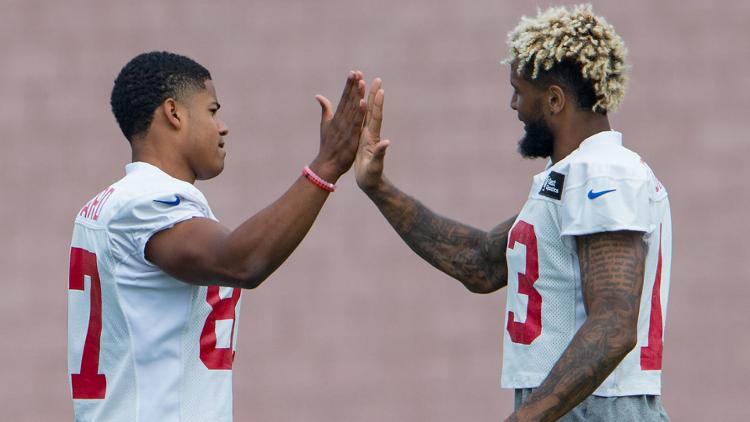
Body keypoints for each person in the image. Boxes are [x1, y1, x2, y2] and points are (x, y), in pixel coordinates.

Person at [355, 5, 671, 421]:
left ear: (555, 100)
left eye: (520, 92)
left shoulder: (603, 171)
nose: (512, 105)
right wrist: (378, 188)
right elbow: (481, 261)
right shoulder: (571, 176)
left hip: (599, 408)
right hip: (576, 407)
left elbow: (613, 326)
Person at [67, 51, 367, 421]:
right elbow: (242, 262)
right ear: (174, 113)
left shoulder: (110, 204)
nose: (222, 127)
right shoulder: (145, 201)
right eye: (212, 111)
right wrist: (328, 165)